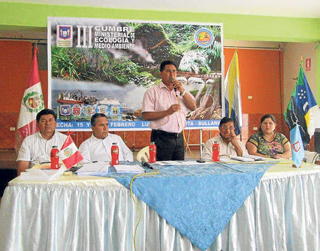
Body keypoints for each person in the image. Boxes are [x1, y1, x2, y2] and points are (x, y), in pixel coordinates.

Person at [142, 60, 197, 161]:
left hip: (179, 138)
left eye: (174, 71)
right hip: (161, 138)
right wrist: (167, 112)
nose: (172, 74)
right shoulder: (152, 92)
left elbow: (193, 107)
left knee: (179, 170)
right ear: (161, 73)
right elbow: (146, 115)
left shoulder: (181, 91)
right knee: (162, 170)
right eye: (168, 71)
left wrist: (182, 91)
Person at [17, 109, 67, 175]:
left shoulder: (65, 139)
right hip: (35, 176)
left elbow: (72, 162)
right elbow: (23, 163)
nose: (47, 123)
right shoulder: (28, 141)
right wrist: (21, 180)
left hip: (58, 175)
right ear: (37, 124)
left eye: (50, 120)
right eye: (43, 121)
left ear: (55, 123)